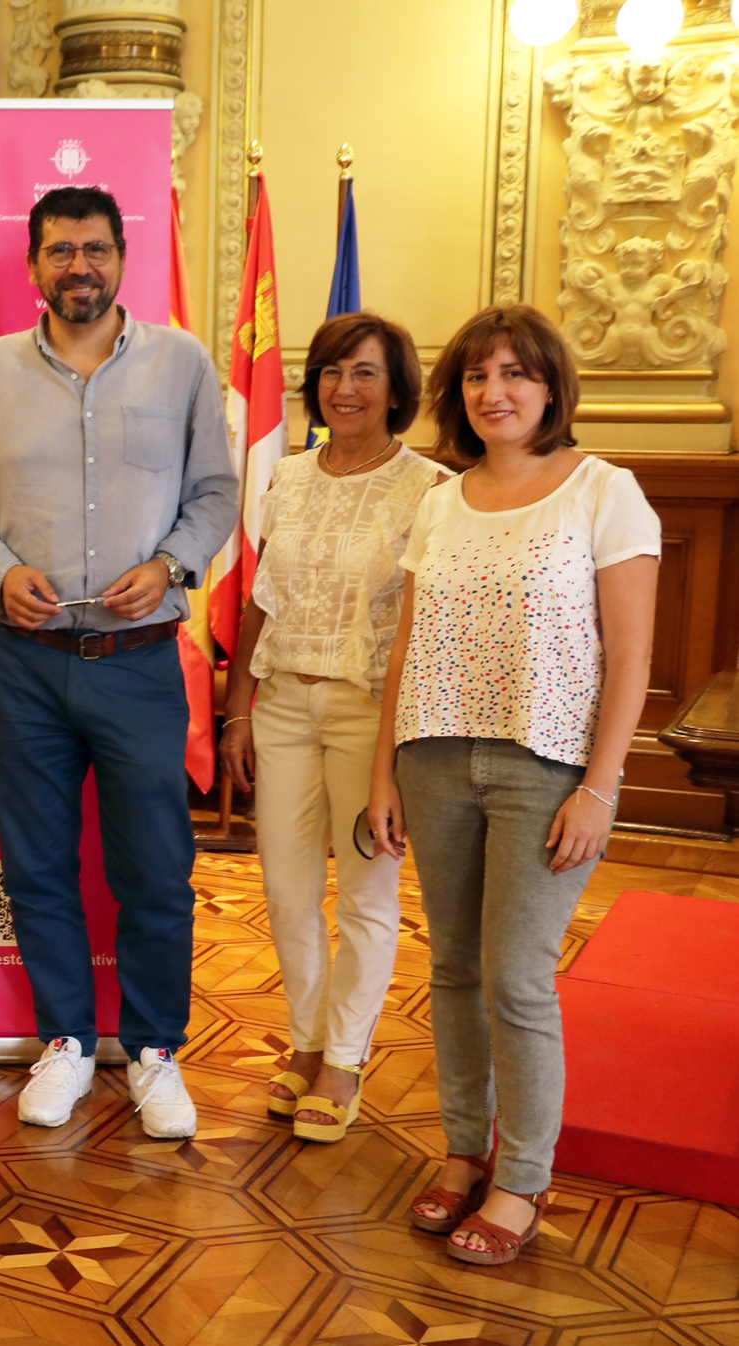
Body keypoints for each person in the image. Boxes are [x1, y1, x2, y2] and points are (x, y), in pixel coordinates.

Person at [0, 185, 239, 1139]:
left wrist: (171, 566)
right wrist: (0, 572)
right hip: (23, 666)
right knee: (37, 866)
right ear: (34, 266)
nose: (79, 267)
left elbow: (216, 494)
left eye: (95, 249)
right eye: (60, 251)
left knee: (158, 870)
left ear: (121, 260)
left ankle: (154, 1051)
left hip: (141, 664)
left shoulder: (183, 363)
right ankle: (64, 1040)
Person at [368, 304, 659, 1266]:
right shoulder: (441, 500)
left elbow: (631, 658)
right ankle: (465, 1150)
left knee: (518, 977)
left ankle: (524, 1178)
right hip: (434, 756)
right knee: (452, 969)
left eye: (515, 374)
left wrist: (601, 789)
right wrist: (384, 771)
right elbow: (407, 646)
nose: (494, 392)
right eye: (476, 376)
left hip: (548, 765)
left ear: (550, 386)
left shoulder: (605, 491)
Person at [220, 312, 442, 1144]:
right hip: (281, 705)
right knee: (283, 890)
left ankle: (344, 1059)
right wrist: (238, 707)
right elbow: (262, 601)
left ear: (397, 389)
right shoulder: (287, 476)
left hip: (368, 714)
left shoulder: (429, 488)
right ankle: (307, 1042)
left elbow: (425, 626)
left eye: (365, 373)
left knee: (365, 894)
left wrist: (403, 744)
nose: (344, 389)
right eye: (332, 373)